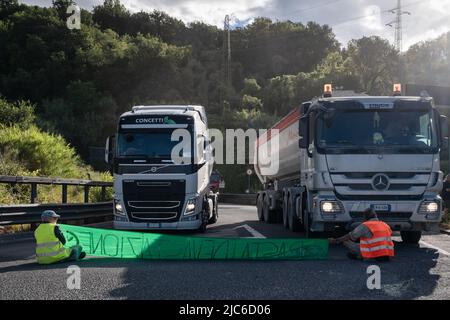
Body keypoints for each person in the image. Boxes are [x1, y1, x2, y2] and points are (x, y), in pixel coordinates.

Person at [328, 208, 394, 261]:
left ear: (365, 217)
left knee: (348, 244)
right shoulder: (385, 225)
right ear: (376, 216)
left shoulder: (365, 225)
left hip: (374, 253)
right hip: (386, 254)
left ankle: (362, 257)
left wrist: (337, 240)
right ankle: (368, 257)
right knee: (361, 244)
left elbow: (350, 235)